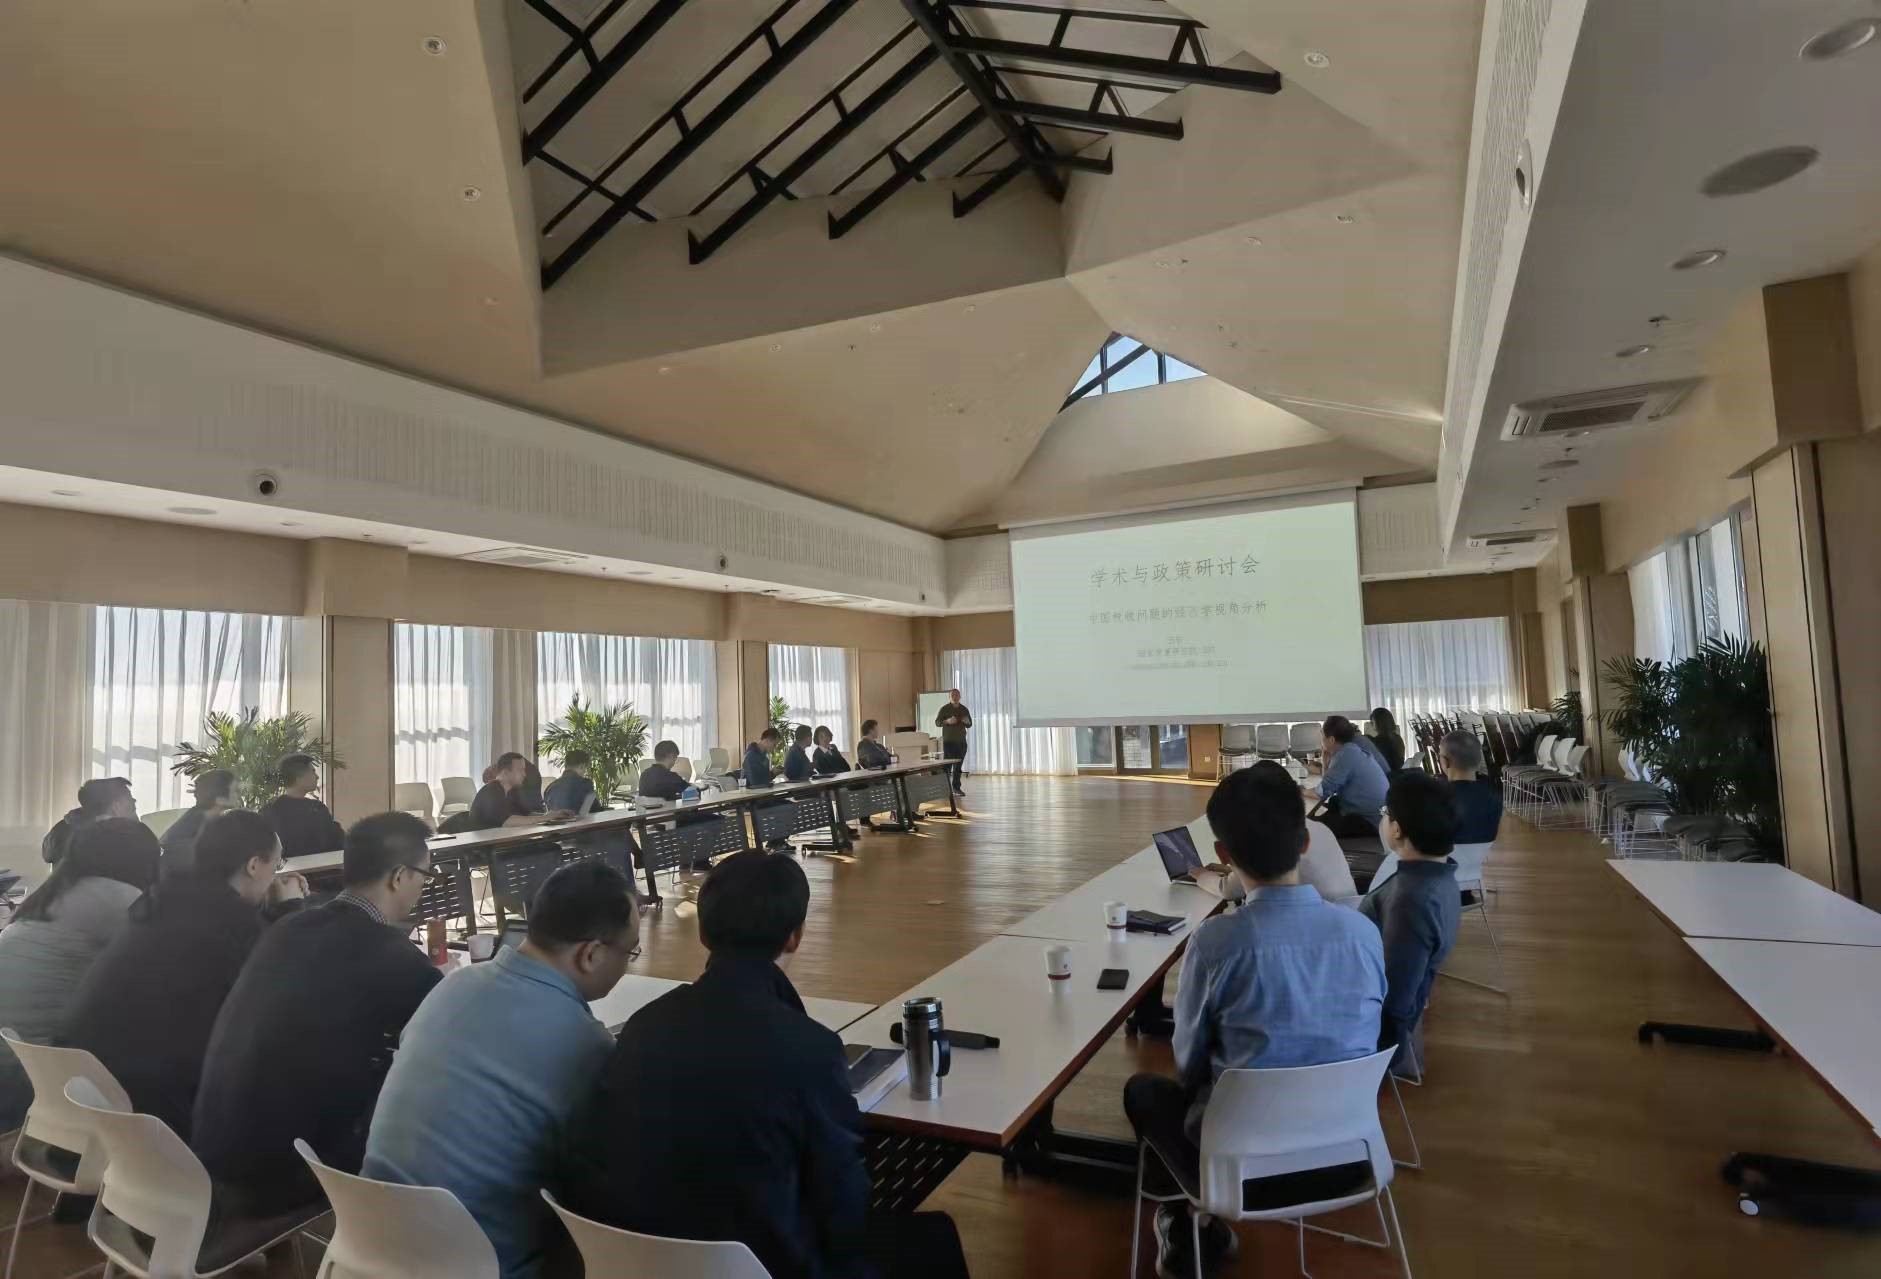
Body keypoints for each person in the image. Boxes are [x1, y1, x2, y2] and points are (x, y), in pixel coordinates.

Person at [581, 851, 971, 1279]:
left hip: (644, 1260)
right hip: (765, 1266)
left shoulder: (643, 1026)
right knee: (934, 1239)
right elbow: (843, 1206)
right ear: (795, 936)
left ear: (704, 934)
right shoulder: (811, 1048)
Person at [1123, 767, 1385, 1278]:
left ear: (1223, 854)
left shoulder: (1216, 943)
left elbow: (1188, 1061)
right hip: (1349, 1155)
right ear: (1305, 841)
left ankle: (1189, 1221)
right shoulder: (1362, 932)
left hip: (1240, 1169)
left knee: (1144, 1091)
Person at [363, 860, 638, 1279]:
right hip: (474, 1264)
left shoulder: (453, 985)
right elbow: (595, 1176)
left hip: (368, 1237)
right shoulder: (585, 1044)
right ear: (592, 954)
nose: (627, 964)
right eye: (629, 952)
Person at [193, 812, 442, 1214]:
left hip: (214, 1151)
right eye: (424, 876)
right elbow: (453, 1032)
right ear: (399, 876)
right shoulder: (388, 952)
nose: (421, 888)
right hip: (281, 1175)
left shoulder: (288, 927)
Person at [65, 810, 307, 1137]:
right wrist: (291, 910)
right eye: (276, 865)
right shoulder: (231, 923)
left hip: (85, 1080)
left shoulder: (161, 898)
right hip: (152, 1103)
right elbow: (283, 991)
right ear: (253, 866)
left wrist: (268, 912)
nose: (275, 875)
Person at [0, 819, 161, 1131]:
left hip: (14, 1056)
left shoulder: (50, 893)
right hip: (33, 1076)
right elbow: (169, 963)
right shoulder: (119, 900)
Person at [1360, 772, 1462, 1077]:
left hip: (1370, 1037)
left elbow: (1396, 995)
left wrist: (1380, 1054)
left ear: (1397, 828)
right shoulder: (1440, 875)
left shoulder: (1412, 899)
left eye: (1386, 813)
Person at [1191, 762, 1356, 904]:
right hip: (1348, 909)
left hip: (1315, 918)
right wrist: (1230, 869)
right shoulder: (1319, 828)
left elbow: (1229, 890)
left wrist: (1202, 876)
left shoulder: (1265, 834)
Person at [1311, 716, 1390, 841]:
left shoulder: (1345, 755)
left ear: (1331, 739)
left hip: (1370, 820)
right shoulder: (1351, 749)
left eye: (1322, 736)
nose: (1320, 740)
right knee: (1332, 804)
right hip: (1377, 814)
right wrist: (1325, 760)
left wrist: (1297, 790)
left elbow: (1321, 792)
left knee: (1313, 829)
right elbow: (1327, 785)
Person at [457, 753, 569, 832]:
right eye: (520, 770)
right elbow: (507, 822)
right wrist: (545, 818)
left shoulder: (513, 792)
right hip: (484, 848)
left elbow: (526, 814)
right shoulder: (492, 790)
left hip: (501, 841)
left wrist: (554, 815)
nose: (524, 774)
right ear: (505, 773)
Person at [262, 752, 345, 857]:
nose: (317, 777)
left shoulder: (318, 807)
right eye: (313, 772)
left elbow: (338, 840)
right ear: (298, 778)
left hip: (327, 867)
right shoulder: (272, 812)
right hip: (291, 868)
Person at [40, 775, 136, 866]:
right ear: (115, 805)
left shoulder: (61, 829)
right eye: (128, 797)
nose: (134, 800)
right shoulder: (111, 839)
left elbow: (47, 856)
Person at [159, 767, 237, 866]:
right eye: (234, 791)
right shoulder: (205, 823)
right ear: (220, 798)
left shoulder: (199, 816)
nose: (237, 795)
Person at [1439, 729, 1503, 844]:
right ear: (1479, 761)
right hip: (1482, 854)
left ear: (1445, 762)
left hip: (1441, 854)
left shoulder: (1433, 797)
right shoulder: (1494, 796)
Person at [743, 728, 791, 851]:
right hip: (754, 799)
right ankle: (775, 842)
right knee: (785, 807)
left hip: (763, 795)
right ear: (768, 740)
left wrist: (772, 773)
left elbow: (762, 778)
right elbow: (756, 782)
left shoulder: (763, 756)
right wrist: (772, 774)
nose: (774, 748)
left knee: (789, 805)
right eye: (774, 744)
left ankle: (777, 841)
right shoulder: (751, 756)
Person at [810, 727, 861, 840]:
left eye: (827, 735)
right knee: (843, 794)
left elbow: (846, 767)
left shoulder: (833, 750)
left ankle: (842, 825)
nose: (825, 738)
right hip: (829, 786)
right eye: (821, 736)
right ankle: (841, 827)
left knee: (855, 789)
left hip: (840, 783)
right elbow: (825, 771)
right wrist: (839, 772)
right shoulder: (817, 754)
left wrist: (836, 755)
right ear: (817, 739)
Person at [934, 689, 972, 796]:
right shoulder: (944, 709)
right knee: (947, 767)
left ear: (960, 696)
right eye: (953, 695)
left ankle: (956, 788)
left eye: (957, 695)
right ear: (949, 697)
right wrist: (947, 721)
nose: (955, 697)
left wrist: (967, 722)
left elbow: (970, 724)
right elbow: (937, 722)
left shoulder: (964, 709)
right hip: (949, 742)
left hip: (961, 742)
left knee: (958, 767)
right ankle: (944, 789)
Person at [544, 749, 605, 815]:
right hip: (580, 821)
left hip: (556, 822)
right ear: (582, 766)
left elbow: (550, 814)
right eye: (585, 768)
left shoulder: (549, 788)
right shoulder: (585, 785)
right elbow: (596, 811)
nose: (585, 772)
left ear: (566, 765)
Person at [1368, 707, 1407, 774]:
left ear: (1378, 723)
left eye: (1372, 722)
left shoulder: (1378, 741)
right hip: (1397, 775)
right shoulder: (1397, 738)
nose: (1371, 724)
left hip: (1386, 776)